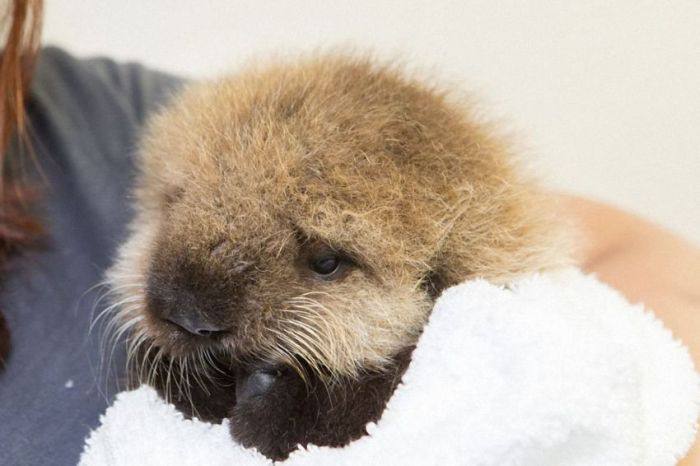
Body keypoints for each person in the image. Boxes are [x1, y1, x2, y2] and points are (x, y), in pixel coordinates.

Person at [0, 1, 697, 464]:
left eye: (326, 263)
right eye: (174, 203)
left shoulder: (99, 113)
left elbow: (625, 264)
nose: (186, 305)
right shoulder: (184, 138)